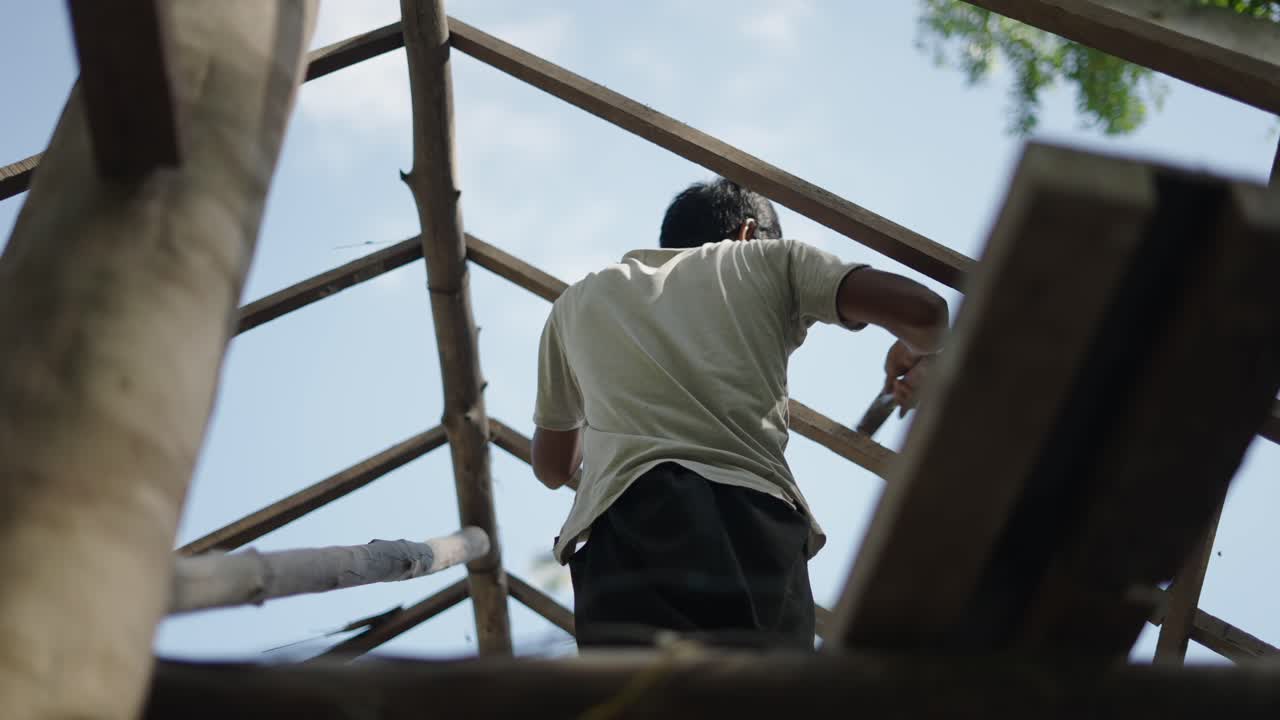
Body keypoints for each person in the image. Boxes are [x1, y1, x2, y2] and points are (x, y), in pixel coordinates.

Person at [530, 178, 948, 649]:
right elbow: (927, 312)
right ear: (749, 232)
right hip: (752, 526)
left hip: (624, 535)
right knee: (762, 705)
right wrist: (918, 354)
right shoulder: (767, 259)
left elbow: (552, 467)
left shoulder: (577, 301)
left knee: (637, 706)